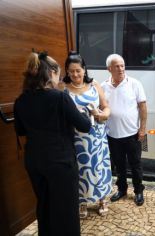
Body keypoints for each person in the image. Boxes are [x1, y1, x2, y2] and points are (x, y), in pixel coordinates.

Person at [14, 52, 91, 236]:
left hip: (34, 162)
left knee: (44, 205)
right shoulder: (60, 98)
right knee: (66, 211)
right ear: (51, 73)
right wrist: (83, 112)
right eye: (58, 74)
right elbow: (85, 126)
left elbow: (21, 131)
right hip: (60, 163)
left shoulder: (21, 101)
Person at [62, 52, 112, 218]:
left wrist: (103, 115)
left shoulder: (94, 84)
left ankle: (102, 199)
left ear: (84, 69)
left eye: (78, 70)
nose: (75, 74)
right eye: (71, 71)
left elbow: (106, 107)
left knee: (99, 167)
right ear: (67, 72)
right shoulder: (62, 88)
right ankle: (82, 202)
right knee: (80, 170)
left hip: (96, 135)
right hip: (75, 138)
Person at [101, 54, 147, 206]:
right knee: (118, 165)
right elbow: (100, 108)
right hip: (112, 135)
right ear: (109, 69)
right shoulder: (103, 86)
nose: (121, 69)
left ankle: (138, 191)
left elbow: (142, 107)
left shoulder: (134, 83)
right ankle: (121, 189)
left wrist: (142, 129)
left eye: (122, 65)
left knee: (136, 164)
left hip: (132, 134)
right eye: (117, 66)